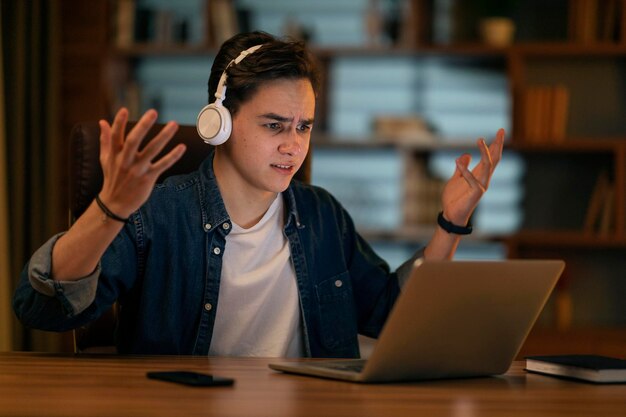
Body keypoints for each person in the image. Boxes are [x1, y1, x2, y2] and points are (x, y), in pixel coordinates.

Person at [13, 31, 504, 357]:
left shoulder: (321, 215)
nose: (293, 146)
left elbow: (391, 316)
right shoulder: (159, 212)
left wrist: (450, 223)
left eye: (304, 127)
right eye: (274, 125)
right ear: (218, 121)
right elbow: (41, 309)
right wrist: (111, 210)